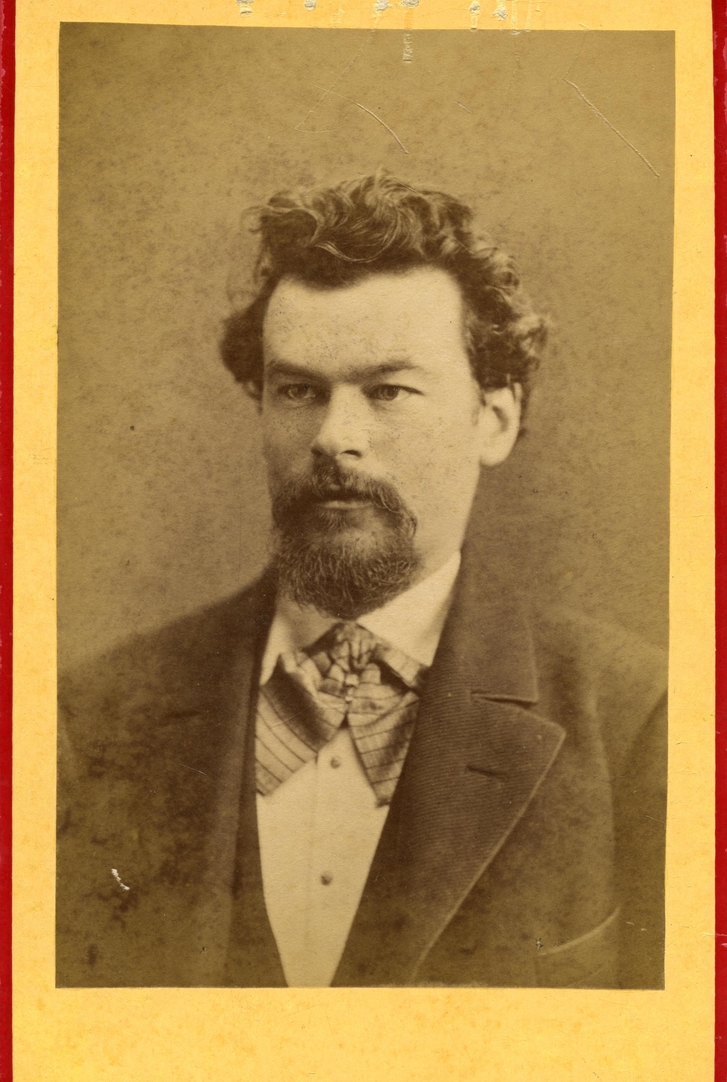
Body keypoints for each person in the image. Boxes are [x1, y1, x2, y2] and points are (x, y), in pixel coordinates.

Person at [56, 172, 667, 989]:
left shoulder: (637, 722)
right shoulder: (92, 720)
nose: (333, 437)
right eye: (298, 391)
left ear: (494, 421)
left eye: (388, 391)